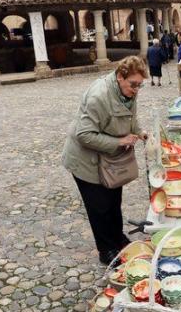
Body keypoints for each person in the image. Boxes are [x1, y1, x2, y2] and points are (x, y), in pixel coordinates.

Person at [62, 56, 148, 265]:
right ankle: (106, 250)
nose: (136, 89)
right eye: (133, 84)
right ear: (120, 76)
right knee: (99, 208)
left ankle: (117, 238)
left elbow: (130, 117)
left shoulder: (127, 91)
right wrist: (119, 141)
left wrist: (139, 132)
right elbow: (84, 134)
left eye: (140, 85)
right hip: (86, 161)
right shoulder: (99, 97)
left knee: (113, 201)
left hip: (108, 160)